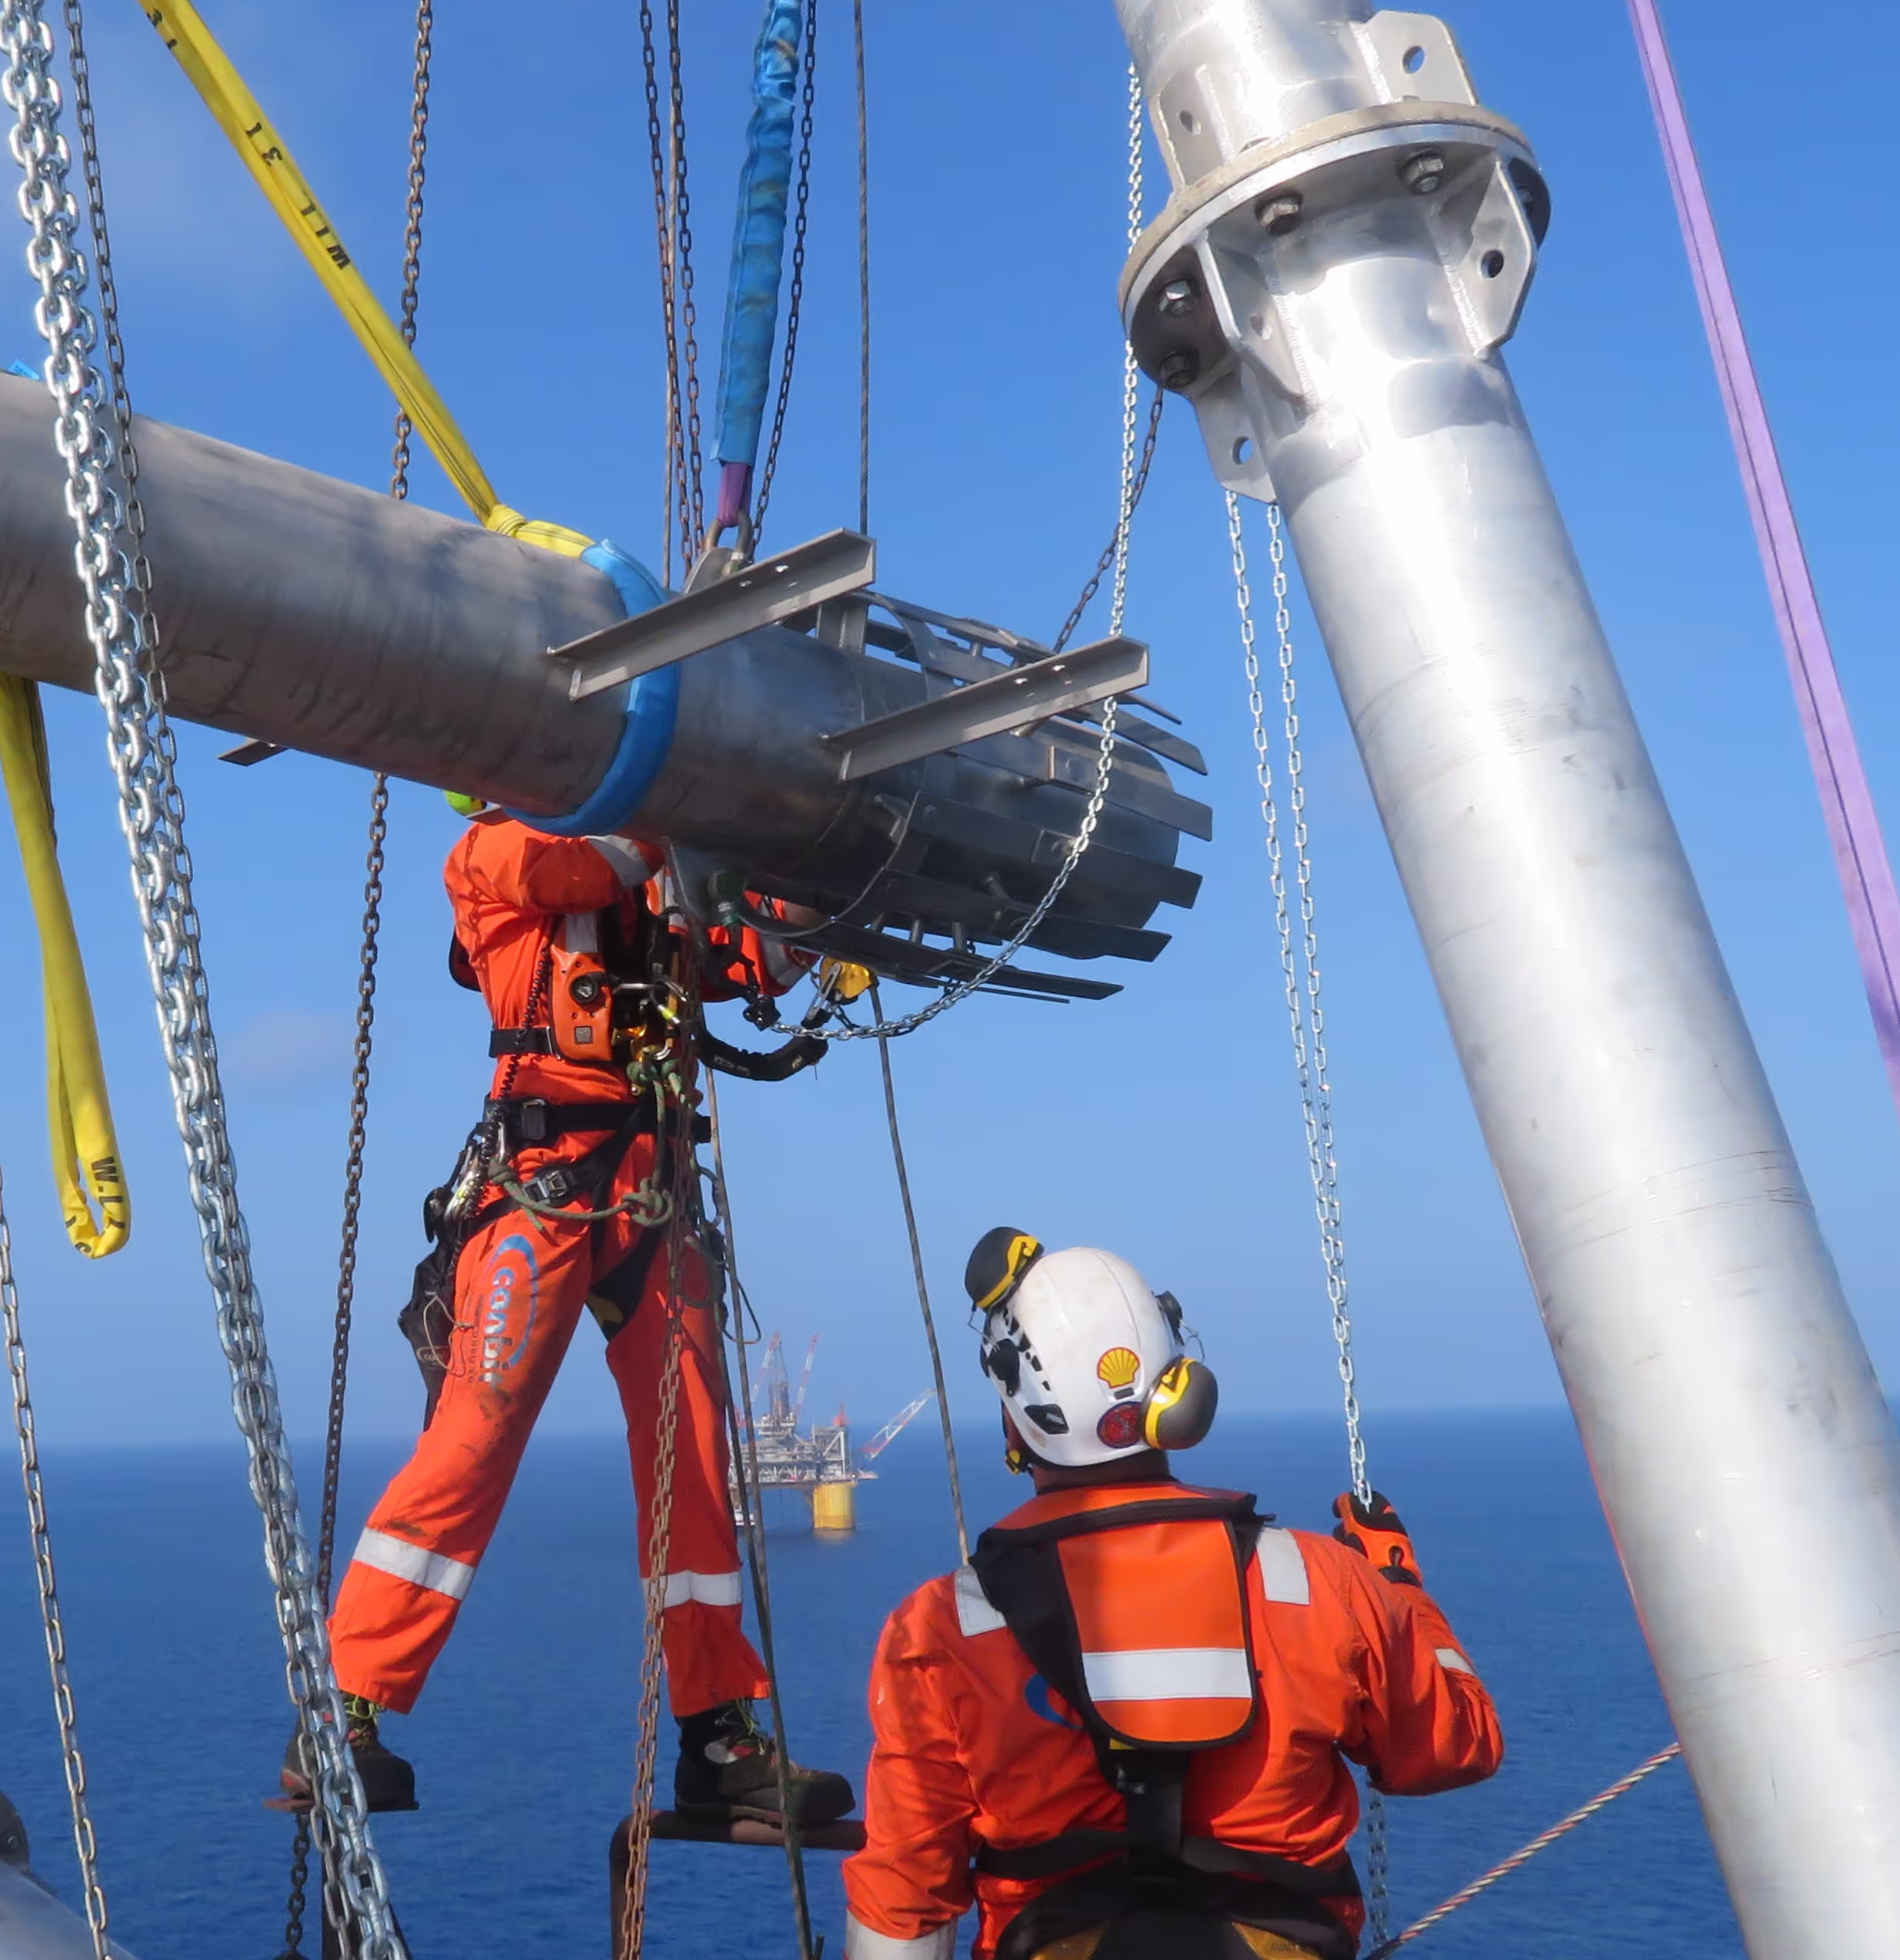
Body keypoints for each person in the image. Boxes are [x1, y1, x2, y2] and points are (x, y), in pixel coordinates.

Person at [290, 806, 851, 1827]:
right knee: (475, 1434)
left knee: (695, 1454)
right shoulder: (494, 852)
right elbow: (567, 875)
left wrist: (818, 881)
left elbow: (754, 953)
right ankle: (344, 1705)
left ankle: (719, 1730)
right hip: (541, 1183)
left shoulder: (662, 873)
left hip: (654, 1189)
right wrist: (694, 806)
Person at [842, 1233, 1502, 1960]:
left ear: (1015, 1421)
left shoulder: (941, 1632)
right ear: (1177, 1389)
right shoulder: (1321, 1583)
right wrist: (1400, 1588)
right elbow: (1453, 1748)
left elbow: (906, 1901)